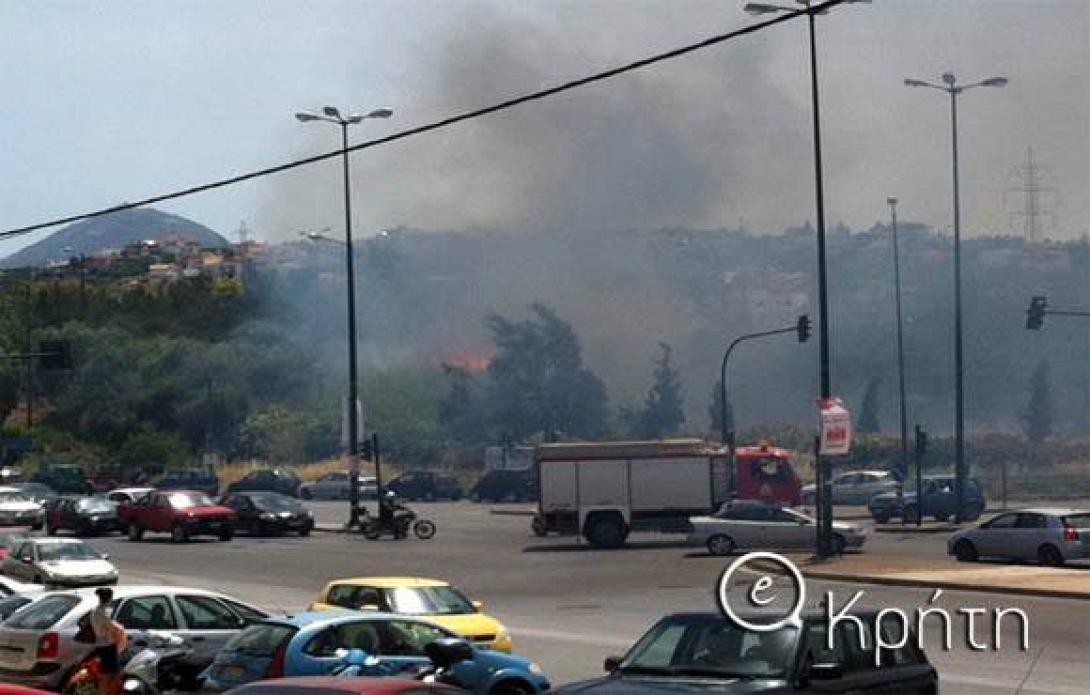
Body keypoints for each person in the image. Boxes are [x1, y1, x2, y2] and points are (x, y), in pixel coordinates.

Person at [90, 587, 124, 695]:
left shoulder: (94, 611)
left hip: (100, 644)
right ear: (109, 599)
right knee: (113, 674)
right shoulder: (104, 612)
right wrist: (119, 629)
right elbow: (110, 627)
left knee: (105, 674)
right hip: (107, 645)